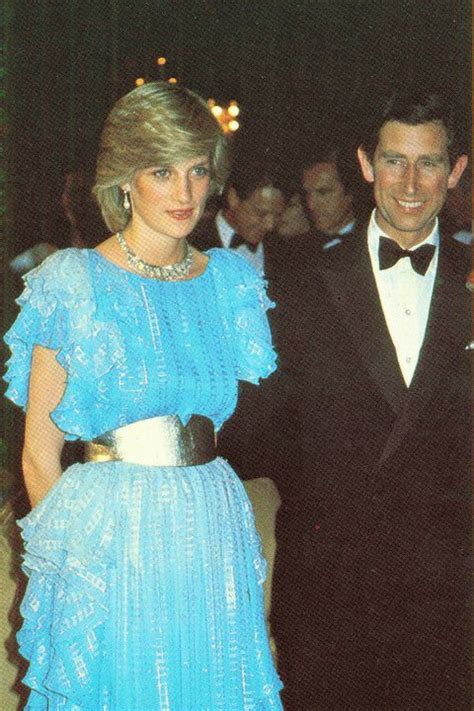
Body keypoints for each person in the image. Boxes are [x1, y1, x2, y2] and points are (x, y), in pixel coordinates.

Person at [3, 81, 283, 710]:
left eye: (198, 171)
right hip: (111, 539)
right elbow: (38, 457)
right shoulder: (71, 283)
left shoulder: (231, 282)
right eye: (163, 171)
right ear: (125, 179)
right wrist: (70, 567)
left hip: (211, 527)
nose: (186, 194)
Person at [269, 89, 471, 709]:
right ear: (365, 163)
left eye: (429, 162)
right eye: (393, 160)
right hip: (331, 600)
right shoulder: (296, 285)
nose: (410, 182)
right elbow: (262, 433)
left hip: (452, 605)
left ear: (457, 170)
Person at [190, 156, 286, 276]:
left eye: (277, 214)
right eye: (261, 213)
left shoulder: (285, 251)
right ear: (233, 198)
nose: (270, 225)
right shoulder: (189, 245)